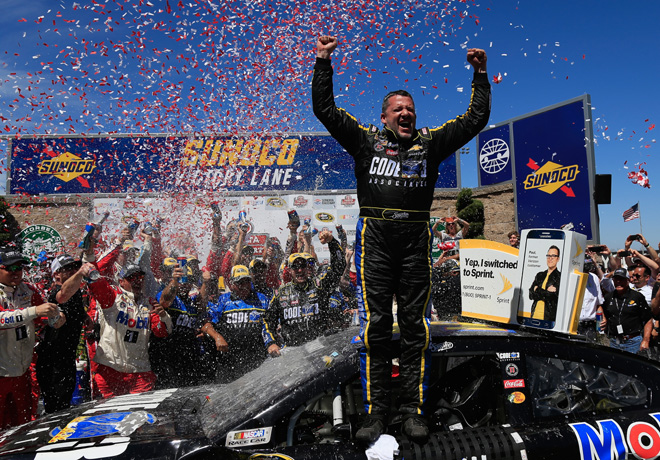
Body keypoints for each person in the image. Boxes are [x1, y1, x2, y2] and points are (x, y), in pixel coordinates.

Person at [312, 35, 490, 443]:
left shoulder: (431, 142)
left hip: (414, 240)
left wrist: (480, 74)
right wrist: (323, 61)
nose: (406, 113)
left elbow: (474, 119)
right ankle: (375, 413)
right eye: (398, 109)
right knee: (374, 327)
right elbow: (324, 109)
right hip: (374, 237)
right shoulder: (364, 140)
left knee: (416, 329)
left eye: (411, 108)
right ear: (385, 116)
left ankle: (413, 410)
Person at [0, 247, 63, 429]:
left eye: (19, 268)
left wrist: (57, 317)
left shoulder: (27, 290)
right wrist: (33, 311)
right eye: (9, 268)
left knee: (22, 426)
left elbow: (43, 314)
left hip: (22, 372)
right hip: (1, 374)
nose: (15, 273)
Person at [88, 264, 172, 398]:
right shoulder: (113, 296)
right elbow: (98, 285)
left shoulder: (149, 303)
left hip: (140, 371)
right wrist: (89, 262)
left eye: (140, 277)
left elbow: (161, 332)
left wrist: (163, 316)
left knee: (142, 415)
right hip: (111, 370)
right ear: (121, 281)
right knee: (108, 416)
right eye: (131, 277)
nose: (137, 280)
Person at [263, 230, 346, 354]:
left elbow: (339, 266)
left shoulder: (319, 285)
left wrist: (332, 241)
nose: (300, 270)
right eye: (295, 267)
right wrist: (271, 343)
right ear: (290, 270)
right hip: (292, 351)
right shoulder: (281, 294)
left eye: (302, 266)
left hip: (320, 347)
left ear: (307, 267)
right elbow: (266, 321)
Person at [36, 255, 95, 413]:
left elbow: (72, 305)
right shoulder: (54, 290)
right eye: (67, 269)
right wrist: (80, 273)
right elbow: (62, 296)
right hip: (52, 362)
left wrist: (84, 317)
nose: (72, 271)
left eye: (74, 268)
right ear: (56, 274)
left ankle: (61, 436)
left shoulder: (75, 292)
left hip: (66, 358)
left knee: (65, 405)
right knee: (55, 409)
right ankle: (50, 436)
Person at [202, 265, 271, 382]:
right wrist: (217, 337)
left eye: (247, 281)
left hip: (257, 360)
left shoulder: (262, 299)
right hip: (229, 361)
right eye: (240, 283)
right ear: (232, 284)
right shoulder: (224, 300)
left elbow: (271, 324)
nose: (244, 286)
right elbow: (205, 323)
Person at [149, 261, 204, 388]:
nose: (185, 284)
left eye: (188, 280)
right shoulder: (169, 295)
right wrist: (175, 281)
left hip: (188, 357)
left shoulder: (192, 302)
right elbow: (165, 300)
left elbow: (202, 304)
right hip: (168, 356)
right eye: (182, 280)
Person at [601, 268, 653, 354]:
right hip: (614, 341)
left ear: (628, 280)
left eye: (621, 279)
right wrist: (603, 318)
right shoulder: (609, 297)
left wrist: (646, 340)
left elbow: (648, 319)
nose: (618, 282)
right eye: (616, 279)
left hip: (633, 342)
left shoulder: (637, 297)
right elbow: (603, 312)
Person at [529, 245, 561, 322]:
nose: (550, 258)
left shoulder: (559, 277)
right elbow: (531, 294)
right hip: (534, 316)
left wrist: (537, 289)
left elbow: (552, 296)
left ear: (558, 259)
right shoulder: (540, 275)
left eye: (553, 256)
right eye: (548, 256)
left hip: (548, 319)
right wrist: (546, 291)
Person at [576, 256, 604, 341]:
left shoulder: (594, 278)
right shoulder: (571, 277)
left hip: (590, 326)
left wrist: (601, 322)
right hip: (574, 325)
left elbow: (598, 303)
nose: (587, 271)